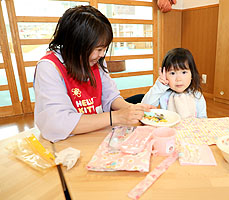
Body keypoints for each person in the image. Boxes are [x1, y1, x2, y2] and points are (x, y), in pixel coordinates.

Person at [34, 5, 155, 142]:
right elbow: (58, 123)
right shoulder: (49, 67)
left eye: (104, 48)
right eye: (98, 49)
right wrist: (116, 117)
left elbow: (110, 96)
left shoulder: (95, 61)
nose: (102, 54)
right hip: (67, 141)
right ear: (76, 44)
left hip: (97, 134)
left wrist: (131, 109)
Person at [141, 48, 207, 119]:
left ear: (192, 74)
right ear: (165, 75)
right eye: (172, 73)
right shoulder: (163, 94)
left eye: (184, 72)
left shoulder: (197, 96)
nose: (178, 79)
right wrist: (159, 86)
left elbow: (203, 119)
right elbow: (145, 106)